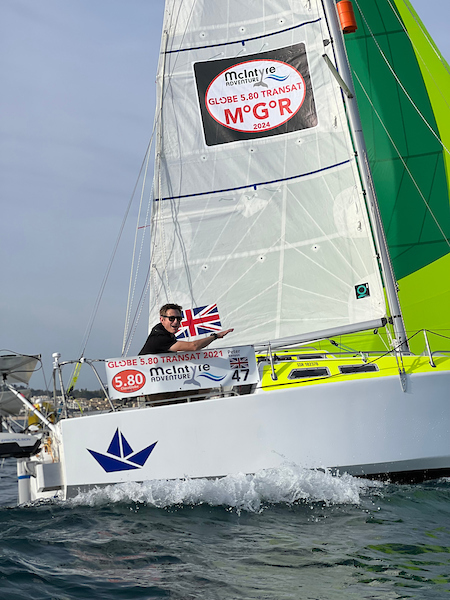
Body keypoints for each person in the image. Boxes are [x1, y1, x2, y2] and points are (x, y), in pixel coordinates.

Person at [139, 303, 233, 355]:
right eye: (171, 318)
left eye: (179, 319)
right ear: (162, 319)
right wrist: (215, 336)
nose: (176, 322)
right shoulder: (159, 337)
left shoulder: (165, 333)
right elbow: (193, 346)